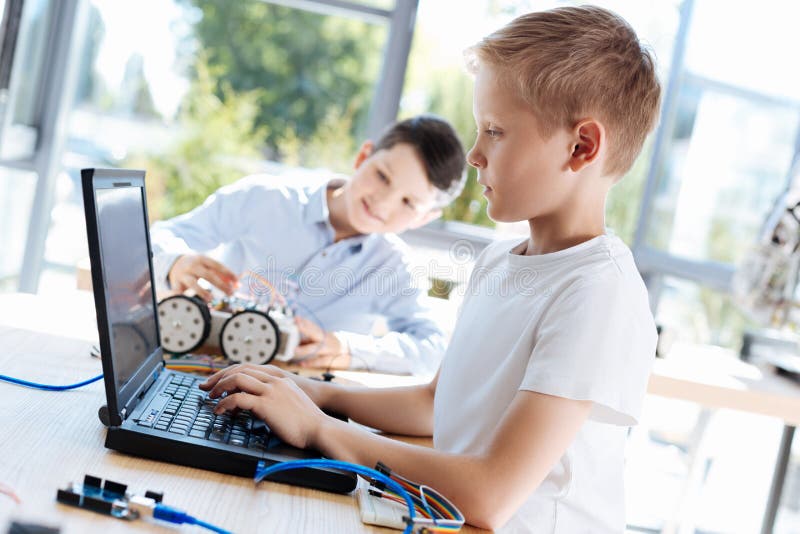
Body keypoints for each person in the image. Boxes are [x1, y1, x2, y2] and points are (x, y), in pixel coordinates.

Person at [200, 6, 661, 532]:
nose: (473, 154)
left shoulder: (598, 293)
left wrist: (320, 428)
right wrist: (312, 392)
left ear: (581, 147)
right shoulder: (500, 261)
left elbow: (488, 495)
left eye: (495, 131)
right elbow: (434, 403)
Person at [150, 115, 466, 375]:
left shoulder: (393, 267)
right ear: (362, 157)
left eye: (409, 202)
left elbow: (434, 347)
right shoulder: (263, 199)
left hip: (299, 400)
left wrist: (347, 349)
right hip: (201, 368)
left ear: (423, 218)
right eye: (382, 176)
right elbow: (155, 235)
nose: (383, 202)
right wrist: (175, 260)